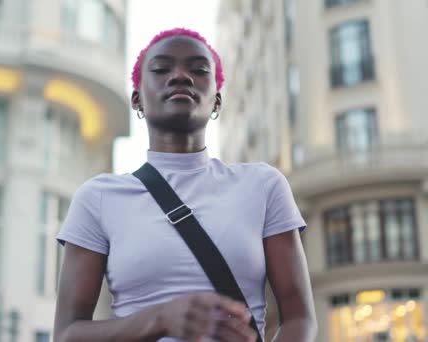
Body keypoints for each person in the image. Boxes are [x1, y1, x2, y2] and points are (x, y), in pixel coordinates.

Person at [53, 28, 317, 342]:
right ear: (137, 98)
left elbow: (299, 318)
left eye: (199, 69)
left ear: (217, 100)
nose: (180, 76)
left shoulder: (264, 185)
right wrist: (160, 318)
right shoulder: (96, 198)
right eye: (161, 69)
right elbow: (68, 334)